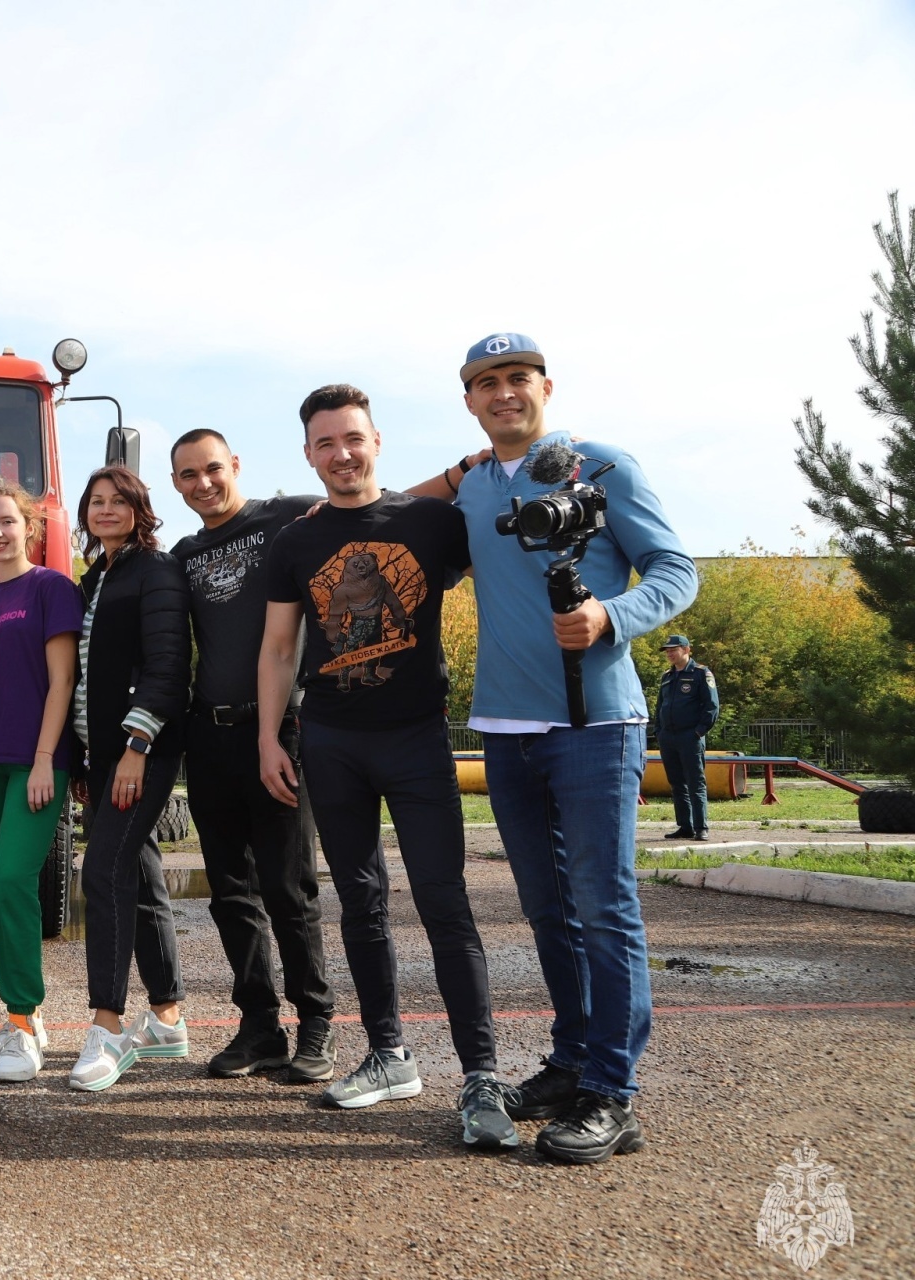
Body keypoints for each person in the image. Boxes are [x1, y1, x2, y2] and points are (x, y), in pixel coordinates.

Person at [455, 333, 698, 1163]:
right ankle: (570, 1061)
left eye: (517, 378)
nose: (504, 394)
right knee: (548, 909)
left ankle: (613, 1093)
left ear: (545, 386)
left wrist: (610, 616)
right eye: (487, 383)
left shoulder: (602, 466)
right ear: (469, 401)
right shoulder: (476, 482)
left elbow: (675, 568)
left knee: (604, 906)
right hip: (506, 728)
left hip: (598, 723)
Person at [258, 384, 518, 1153]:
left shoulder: (431, 522)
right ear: (309, 454)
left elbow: (502, 558)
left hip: (415, 737)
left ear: (377, 441)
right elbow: (278, 649)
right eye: (326, 443)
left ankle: (480, 1076)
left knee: (444, 901)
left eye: (353, 438)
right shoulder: (296, 541)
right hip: (331, 741)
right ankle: (389, 1052)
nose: (342, 453)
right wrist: (268, 737)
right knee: (361, 902)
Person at [168, 428, 339, 1083]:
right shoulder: (184, 553)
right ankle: (260, 1026)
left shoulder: (283, 515)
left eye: (212, 468)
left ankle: (315, 1025)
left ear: (235, 464)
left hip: (280, 730)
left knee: (288, 889)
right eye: (187, 475)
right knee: (231, 893)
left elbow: (364, 503)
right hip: (208, 739)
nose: (203, 483)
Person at [61, 467, 193, 1093]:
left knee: (103, 870)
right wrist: (90, 758)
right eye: (96, 502)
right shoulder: (97, 576)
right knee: (139, 873)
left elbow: (168, 670)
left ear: (140, 509)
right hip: (105, 756)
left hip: (142, 752)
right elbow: (89, 676)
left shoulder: (154, 570)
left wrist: (136, 748)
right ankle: (166, 1017)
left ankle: (108, 1026)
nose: (105, 510)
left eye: (118, 501)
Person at [0, 479, 83, 1084]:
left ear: (29, 527)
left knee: (13, 881)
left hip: (34, 762)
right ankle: (16, 1015)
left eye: (8, 521)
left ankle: (27, 1026)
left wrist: (43, 758)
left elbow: (61, 682)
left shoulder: (52, 588)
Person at [656, 634, 719, 842]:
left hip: (690, 737)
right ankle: (685, 826)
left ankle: (701, 827)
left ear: (686, 649)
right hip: (669, 737)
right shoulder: (667, 676)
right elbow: (659, 707)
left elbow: (711, 707)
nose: (670, 654)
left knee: (695, 782)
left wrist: (698, 732)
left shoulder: (701, 673)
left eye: (673, 649)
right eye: (667, 650)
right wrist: (659, 732)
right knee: (676, 783)